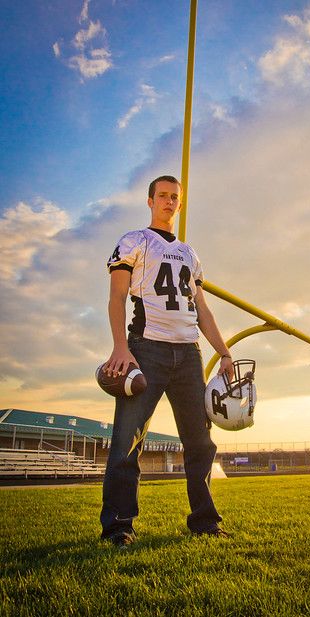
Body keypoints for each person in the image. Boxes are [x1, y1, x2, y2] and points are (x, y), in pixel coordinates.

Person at [100, 175, 234, 546]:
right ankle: (118, 525)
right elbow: (117, 298)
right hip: (147, 348)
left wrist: (223, 352)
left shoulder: (190, 254)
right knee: (127, 440)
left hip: (189, 352)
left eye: (175, 197)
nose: (169, 202)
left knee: (200, 442)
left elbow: (202, 309)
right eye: (162, 196)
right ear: (150, 201)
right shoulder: (135, 241)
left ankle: (205, 521)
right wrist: (119, 348)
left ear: (180, 203)